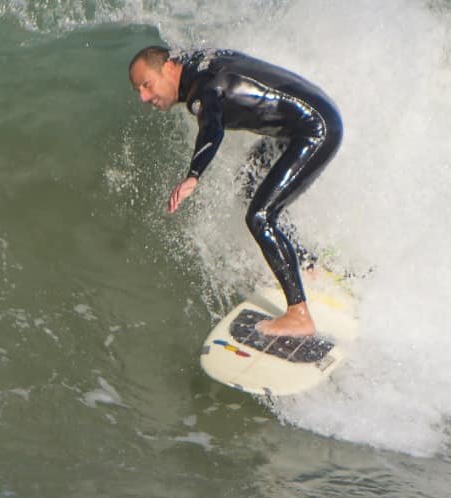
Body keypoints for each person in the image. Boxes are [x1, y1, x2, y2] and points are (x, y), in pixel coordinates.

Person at [128, 45, 343, 340]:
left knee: (260, 217)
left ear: (168, 68)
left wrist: (193, 175)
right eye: (138, 90)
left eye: (147, 85)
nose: (143, 97)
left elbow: (212, 129)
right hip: (307, 118)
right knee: (248, 182)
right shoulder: (196, 63)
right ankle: (307, 266)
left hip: (316, 130)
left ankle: (299, 315)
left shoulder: (203, 91)